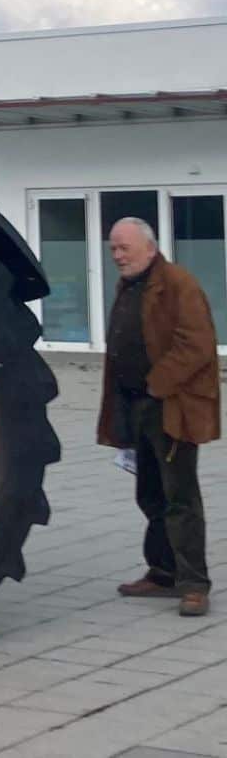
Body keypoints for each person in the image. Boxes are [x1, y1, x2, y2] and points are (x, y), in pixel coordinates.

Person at [98, 217, 221, 617]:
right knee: (149, 493)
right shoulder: (130, 284)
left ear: (149, 248)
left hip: (170, 406)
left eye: (123, 248)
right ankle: (162, 572)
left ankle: (194, 585)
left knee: (179, 497)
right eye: (113, 248)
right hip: (136, 406)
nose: (116, 256)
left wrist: (155, 384)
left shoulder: (178, 283)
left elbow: (198, 344)